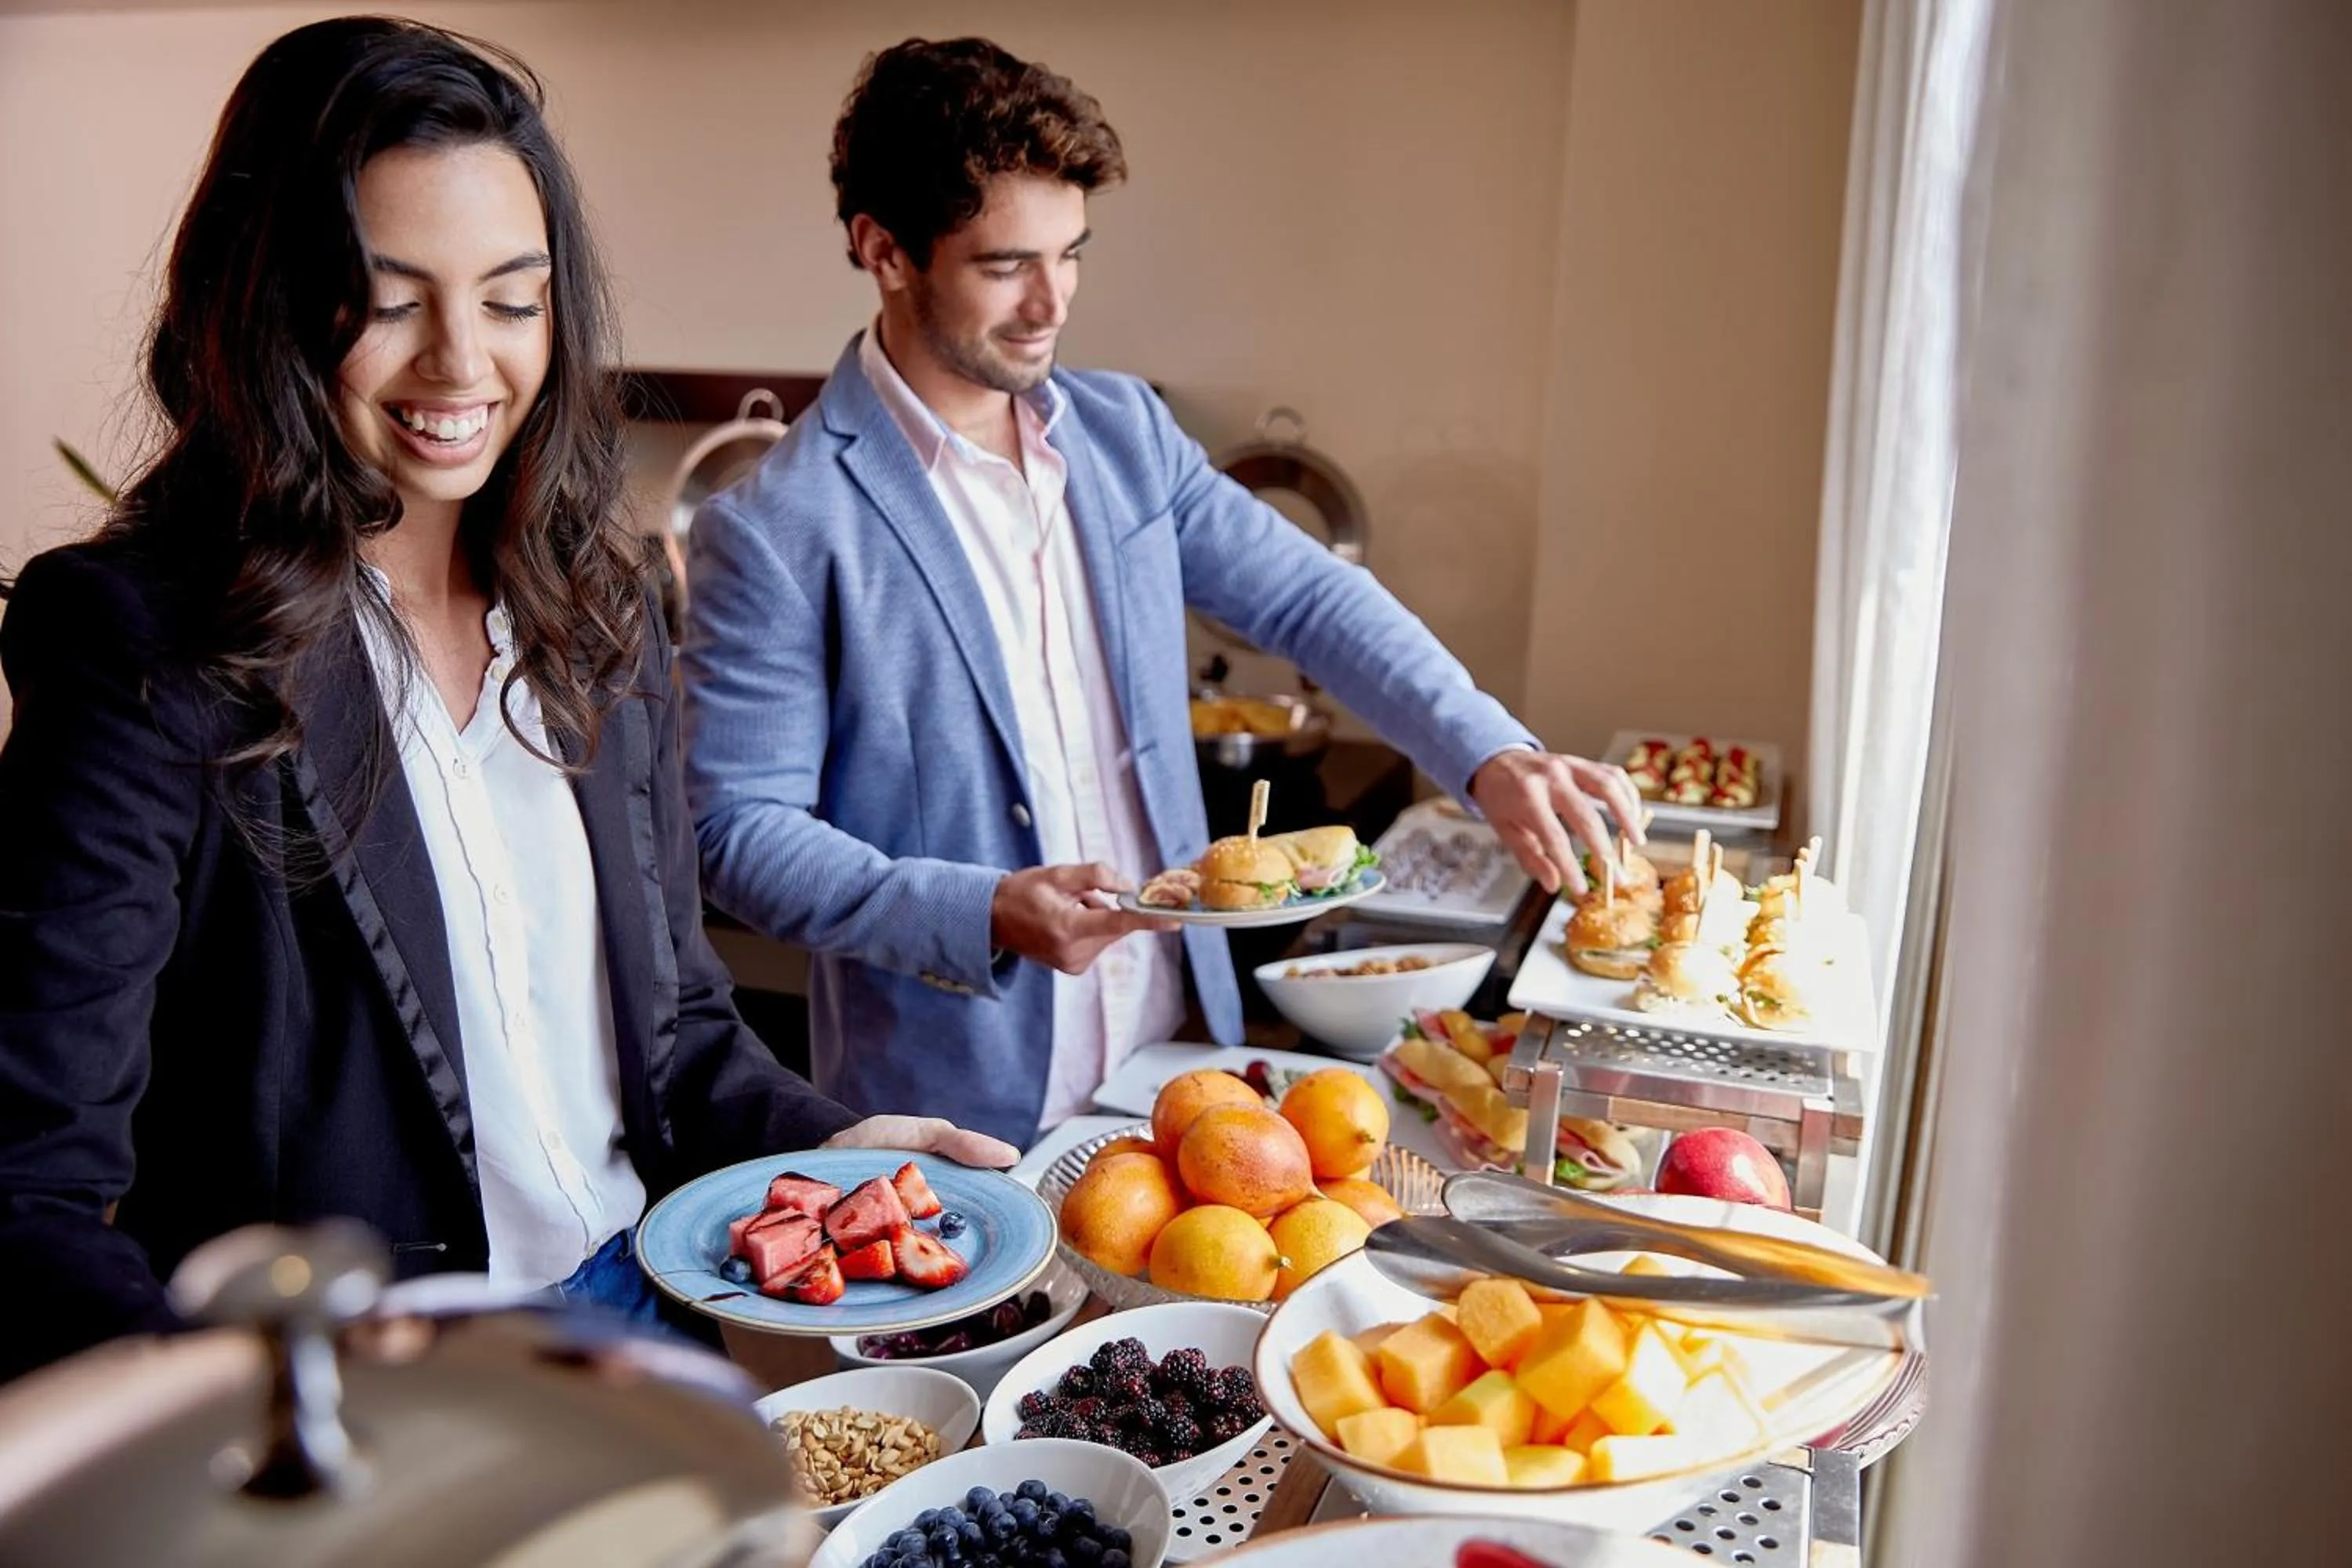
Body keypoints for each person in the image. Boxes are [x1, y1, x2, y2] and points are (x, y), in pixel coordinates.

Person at [0, 16, 1012, 1385]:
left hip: (645, 1322)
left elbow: (677, 1035)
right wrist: (263, 1429)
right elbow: (30, 1189)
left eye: (511, 301)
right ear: (269, 303)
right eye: (390, 301)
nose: (461, 364)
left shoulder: (596, 608)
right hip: (363, 1390)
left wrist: (830, 1147)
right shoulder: (145, 644)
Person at [681, 37, 1644, 1149]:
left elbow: (1312, 601)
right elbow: (738, 832)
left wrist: (1488, 752)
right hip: (959, 1112)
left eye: (1071, 254)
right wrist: (982, 910)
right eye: (1006, 265)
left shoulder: (1125, 434)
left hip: (1184, 1062)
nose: (1051, 302)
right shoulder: (777, 526)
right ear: (884, 251)